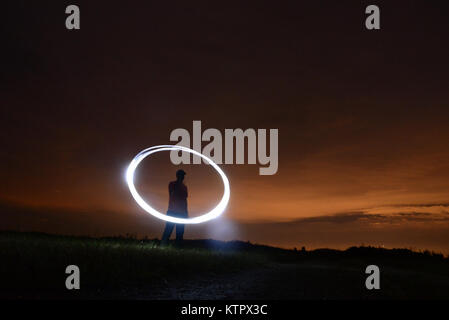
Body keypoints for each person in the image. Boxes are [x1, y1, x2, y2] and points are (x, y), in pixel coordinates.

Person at [161, 169, 188, 245]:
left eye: (183, 175)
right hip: (172, 211)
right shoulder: (172, 184)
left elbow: (185, 200)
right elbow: (172, 194)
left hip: (182, 213)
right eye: (181, 175)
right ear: (177, 176)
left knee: (180, 232)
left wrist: (186, 212)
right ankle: (163, 246)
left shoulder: (184, 187)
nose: (183, 177)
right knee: (168, 230)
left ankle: (178, 248)